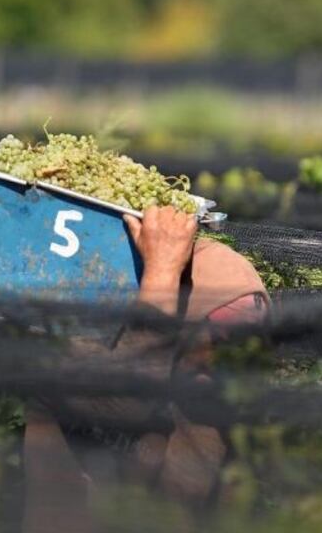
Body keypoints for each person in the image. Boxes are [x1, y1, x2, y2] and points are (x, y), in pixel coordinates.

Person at [22, 206, 269, 533]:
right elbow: (119, 402)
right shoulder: (80, 355)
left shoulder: (217, 416)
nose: (233, 362)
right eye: (223, 339)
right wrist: (163, 271)